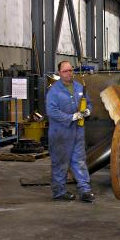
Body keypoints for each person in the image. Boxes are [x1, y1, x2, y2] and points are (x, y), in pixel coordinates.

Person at [46, 61, 95, 202]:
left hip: (78, 131)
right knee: (60, 162)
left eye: (70, 70)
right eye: (65, 71)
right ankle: (59, 192)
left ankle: (85, 191)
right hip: (60, 133)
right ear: (59, 73)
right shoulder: (54, 91)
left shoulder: (79, 87)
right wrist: (71, 117)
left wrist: (88, 111)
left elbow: (89, 103)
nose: (69, 73)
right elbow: (51, 111)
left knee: (79, 161)